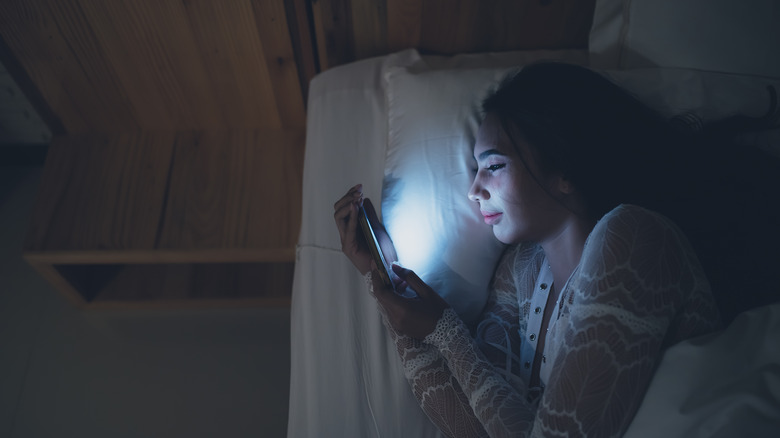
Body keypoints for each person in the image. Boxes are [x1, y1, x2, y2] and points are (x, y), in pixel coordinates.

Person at [333, 62, 723, 437]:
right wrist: (385, 276)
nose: (473, 190)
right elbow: (474, 429)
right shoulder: (521, 269)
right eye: (475, 168)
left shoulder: (637, 237)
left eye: (495, 166)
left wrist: (446, 332)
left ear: (565, 169)